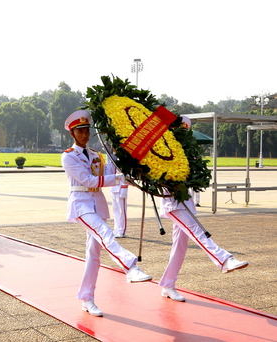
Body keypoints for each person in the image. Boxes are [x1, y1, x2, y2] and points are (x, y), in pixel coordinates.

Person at [61, 110, 152, 317]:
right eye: (80, 131)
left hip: (98, 205)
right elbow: (90, 181)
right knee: (105, 233)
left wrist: (135, 174)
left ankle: (87, 298)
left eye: (86, 131)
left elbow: (111, 174)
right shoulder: (68, 156)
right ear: (72, 134)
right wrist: (119, 178)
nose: (84, 135)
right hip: (81, 205)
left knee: (94, 254)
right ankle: (130, 267)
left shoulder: (96, 155)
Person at [159, 117, 248, 302]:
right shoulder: (163, 149)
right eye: (179, 131)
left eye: (185, 132)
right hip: (173, 204)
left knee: (179, 247)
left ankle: (168, 284)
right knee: (197, 232)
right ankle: (224, 260)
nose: (182, 135)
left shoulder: (188, 153)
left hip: (186, 202)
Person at [109, 151, 128, 238]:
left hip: (120, 188)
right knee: (115, 210)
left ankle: (121, 230)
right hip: (114, 187)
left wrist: (124, 190)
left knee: (122, 211)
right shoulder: (114, 159)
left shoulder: (124, 161)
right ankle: (116, 229)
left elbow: (126, 176)